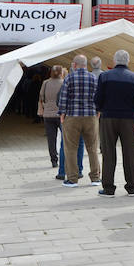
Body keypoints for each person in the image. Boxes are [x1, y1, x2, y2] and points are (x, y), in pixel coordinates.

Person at [95, 50, 134, 196]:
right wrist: (131, 108)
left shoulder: (104, 76)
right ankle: (132, 186)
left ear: (115, 61)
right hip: (128, 118)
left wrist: (102, 108)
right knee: (129, 152)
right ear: (127, 61)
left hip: (108, 117)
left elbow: (98, 98)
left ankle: (108, 188)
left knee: (108, 152)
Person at [57, 54, 101, 186]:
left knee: (70, 148)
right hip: (90, 116)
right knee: (92, 148)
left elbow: (63, 98)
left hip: (72, 117)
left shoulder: (69, 77)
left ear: (74, 65)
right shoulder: (93, 78)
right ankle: (95, 178)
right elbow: (98, 97)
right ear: (85, 64)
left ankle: (72, 179)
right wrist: (98, 112)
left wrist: (62, 114)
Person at [39, 65, 65, 169]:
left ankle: (54, 160)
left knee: (51, 139)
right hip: (61, 114)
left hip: (48, 114)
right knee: (65, 138)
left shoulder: (45, 83)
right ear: (61, 72)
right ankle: (64, 158)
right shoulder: (64, 83)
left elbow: (42, 97)